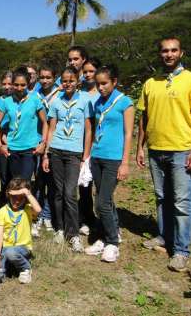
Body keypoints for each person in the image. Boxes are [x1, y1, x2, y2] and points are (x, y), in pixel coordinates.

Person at [136, 37, 191, 272]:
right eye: (164, 51)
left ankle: (181, 250)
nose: (169, 54)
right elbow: (144, 117)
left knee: (182, 201)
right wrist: (140, 146)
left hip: (181, 149)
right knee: (161, 196)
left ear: (181, 53)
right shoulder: (151, 83)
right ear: (159, 54)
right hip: (156, 149)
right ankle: (164, 236)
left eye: (173, 50)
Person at [84, 65, 134, 263]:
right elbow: (96, 128)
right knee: (105, 199)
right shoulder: (98, 103)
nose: (101, 87)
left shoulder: (125, 102)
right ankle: (105, 236)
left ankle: (112, 242)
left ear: (115, 82)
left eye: (104, 83)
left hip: (114, 159)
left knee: (102, 202)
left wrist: (125, 162)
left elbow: (129, 133)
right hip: (98, 156)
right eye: (98, 84)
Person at [43, 66, 93, 253]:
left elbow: (88, 130)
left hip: (74, 153)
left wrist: (85, 156)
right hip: (56, 150)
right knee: (57, 192)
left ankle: (73, 235)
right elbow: (52, 128)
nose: (68, 84)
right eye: (64, 80)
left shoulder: (85, 100)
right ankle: (60, 228)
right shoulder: (56, 101)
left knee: (70, 194)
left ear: (77, 81)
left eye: (71, 80)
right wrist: (47, 154)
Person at [0, 67, 47, 182]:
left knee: (25, 181)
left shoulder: (35, 100)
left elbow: (45, 122)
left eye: (23, 85)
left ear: (28, 84)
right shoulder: (7, 101)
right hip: (13, 148)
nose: (19, 88)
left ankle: (28, 200)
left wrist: (43, 143)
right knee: (16, 181)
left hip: (30, 148)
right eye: (16, 84)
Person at [0, 178, 41, 284]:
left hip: (23, 248)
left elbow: (38, 210)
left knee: (11, 253)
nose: (17, 201)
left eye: (21, 198)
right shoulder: (3, 211)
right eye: (14, 197)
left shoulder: (27, 209)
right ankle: (3, 271)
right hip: (6, 248)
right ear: (8, 195)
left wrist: (26, 192)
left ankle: (25, 268)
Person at [33, 66, 60, 234]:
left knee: (51, 181)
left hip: (54, 142)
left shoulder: (60, 94)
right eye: (42, 77)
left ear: (54, 78)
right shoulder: (35, 94)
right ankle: (37, 215)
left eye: (48, 77)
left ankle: (48, 215)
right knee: (38, 181)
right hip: (36, 141)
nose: (45, 80)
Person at [78, 58, 101, 236]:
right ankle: (86, 216)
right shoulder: (79, 92)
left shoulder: (102, 94)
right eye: (85, 71)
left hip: (99, 144)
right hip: (80, 143)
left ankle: (102, 220)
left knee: (98, 186)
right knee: (84, 184)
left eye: (91, 71)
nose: (87, 74)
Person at [0, 70, 13, 202]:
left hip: (18, 142)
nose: (6, 87)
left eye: (9, 84)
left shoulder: (20, 100)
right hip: (4, 143)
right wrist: (2, 141)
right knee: (4, 175)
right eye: (4, 84)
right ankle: (4, 202)